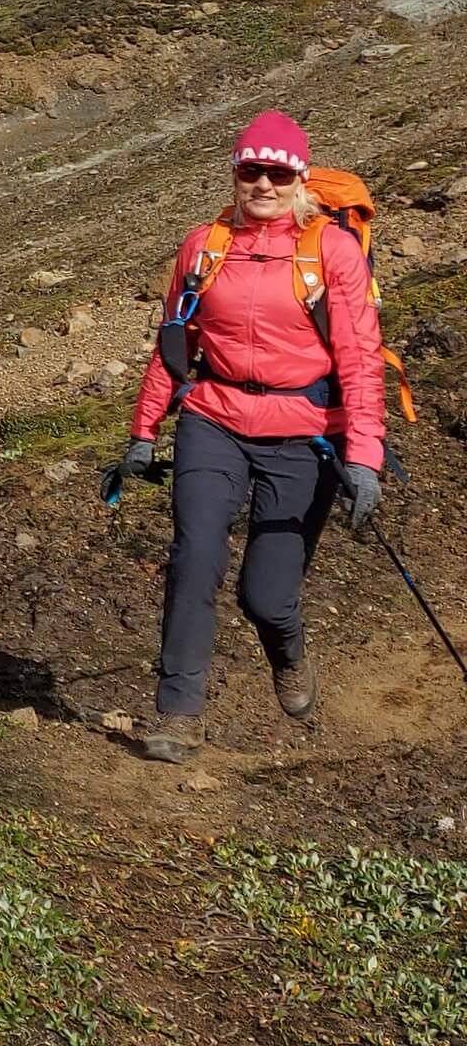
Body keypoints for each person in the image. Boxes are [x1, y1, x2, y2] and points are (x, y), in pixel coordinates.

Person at [104, 110, 387, 762]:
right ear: (236, 172)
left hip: (308, 434)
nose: (263, 182)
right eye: (250, 169)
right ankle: (177, 714)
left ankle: (288, 653)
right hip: (214, 420)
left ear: (298, 176)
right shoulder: (202, 246)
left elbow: (361, 358)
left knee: (265, 594)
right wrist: (143, 431)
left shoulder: (331, 251)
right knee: (196, 553)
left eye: (277, 171)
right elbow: (173, 345)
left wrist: (364, 458)